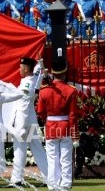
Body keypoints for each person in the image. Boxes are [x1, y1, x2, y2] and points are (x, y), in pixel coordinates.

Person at [37, 55, 80, 191]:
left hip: (50, 127)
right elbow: (73, 116)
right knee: (66, 159)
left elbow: (40, 111)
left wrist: (47, 120)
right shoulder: (71, 90)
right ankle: (65, 185)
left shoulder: (44, 91)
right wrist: (75, 135)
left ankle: (53, 185)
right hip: (66, 127)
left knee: (52, 159)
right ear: (65, 71)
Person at [7, 57, 48, 187]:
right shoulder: (32, 80)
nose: (19, 69)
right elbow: (38, 73)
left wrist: (21, 126)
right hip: (30, 121)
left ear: (25, 69)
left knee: (19, 150)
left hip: (23, 122)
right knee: (38, 150)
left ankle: (16, 179)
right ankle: (49, 177)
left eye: (20, 67)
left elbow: (23, 106)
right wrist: (40, 64)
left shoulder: (26, 84)